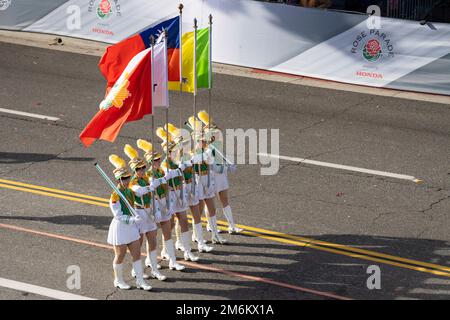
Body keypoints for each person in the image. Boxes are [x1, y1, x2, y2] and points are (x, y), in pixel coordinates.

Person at [136, 139, 185, 271]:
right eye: (155, 160)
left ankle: (172, 260)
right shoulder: (149, 175)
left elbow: (167, 186)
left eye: (158, 159)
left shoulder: (161, 171)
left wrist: (169, 203)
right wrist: (156, 208)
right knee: (150, 235)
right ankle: (148, 260)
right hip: (154, 206)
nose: (158, 161)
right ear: (150, 162)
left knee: (167, 232)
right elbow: (151, 190)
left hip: (163, 202)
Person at [165, 123, 214, 253]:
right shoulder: (169, 161)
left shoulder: (188, 154)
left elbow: (195, 159)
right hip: (179, 189)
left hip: (191, 185)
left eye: (185, 142)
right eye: (181, 143)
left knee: (196, 215)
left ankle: (200, 241)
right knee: (180, 218)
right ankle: (179, 242)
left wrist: (206, 153)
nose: (184, 145)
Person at [107, 154, 152, 291]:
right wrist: (133, 219)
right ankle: (118, 280)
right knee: (120, 255)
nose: (127, 181)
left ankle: (140, 280)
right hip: (121, 227)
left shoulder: (129, 191)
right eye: (124, 179)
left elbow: (134, 205)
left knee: (137, 253)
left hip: (131, 226)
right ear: (119, 180)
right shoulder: (115, 196)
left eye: (127, 178)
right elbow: (119, 215)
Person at [123, 144, 167, 281]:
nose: (142, 170)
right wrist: (151, 186)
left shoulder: (147, 178)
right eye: (138, 169)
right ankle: (136, 270)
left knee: (153, 241)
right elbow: (139, 191)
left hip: (149, 211)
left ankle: (154, 269)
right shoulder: (133, 182)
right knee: (139, 244)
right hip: (139, 213)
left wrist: (157, 210)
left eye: (143, 168)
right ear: (134, 170)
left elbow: (153, 195)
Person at [156, 127, 200, 262]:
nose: (176, 152)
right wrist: (178, 169)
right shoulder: (164, 163)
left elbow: (189, 163)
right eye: (173, 151)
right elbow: (167, 174)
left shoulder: (178, 160)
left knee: (184, 221)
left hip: (179, 192)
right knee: (169, 225)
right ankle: (165, 250)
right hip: (169, 194)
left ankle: (187, 251)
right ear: (168, 152)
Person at [198, 110, 243, 234]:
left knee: (225, 201)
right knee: (210, 204)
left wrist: (228, 164)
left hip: (221, 178)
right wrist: (227, 167)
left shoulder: (217, 146)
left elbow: (221, 160)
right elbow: (214, 167)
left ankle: (231, 226)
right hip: (212, 179)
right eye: (216, 134)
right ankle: (210, 225)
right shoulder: (207, 150)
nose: (219, 135)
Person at [189, 116, 228, 245]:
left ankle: (215, 235)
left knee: (212, 209)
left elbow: (212, 164)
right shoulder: (192, 153)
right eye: (202, 140)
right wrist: (200, 156)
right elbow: (192, 164)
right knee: (198, 212)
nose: (204, 142)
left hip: (207, 180)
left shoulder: (208, 150)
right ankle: (197, 236)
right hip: (198, 181)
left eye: (204, 140)